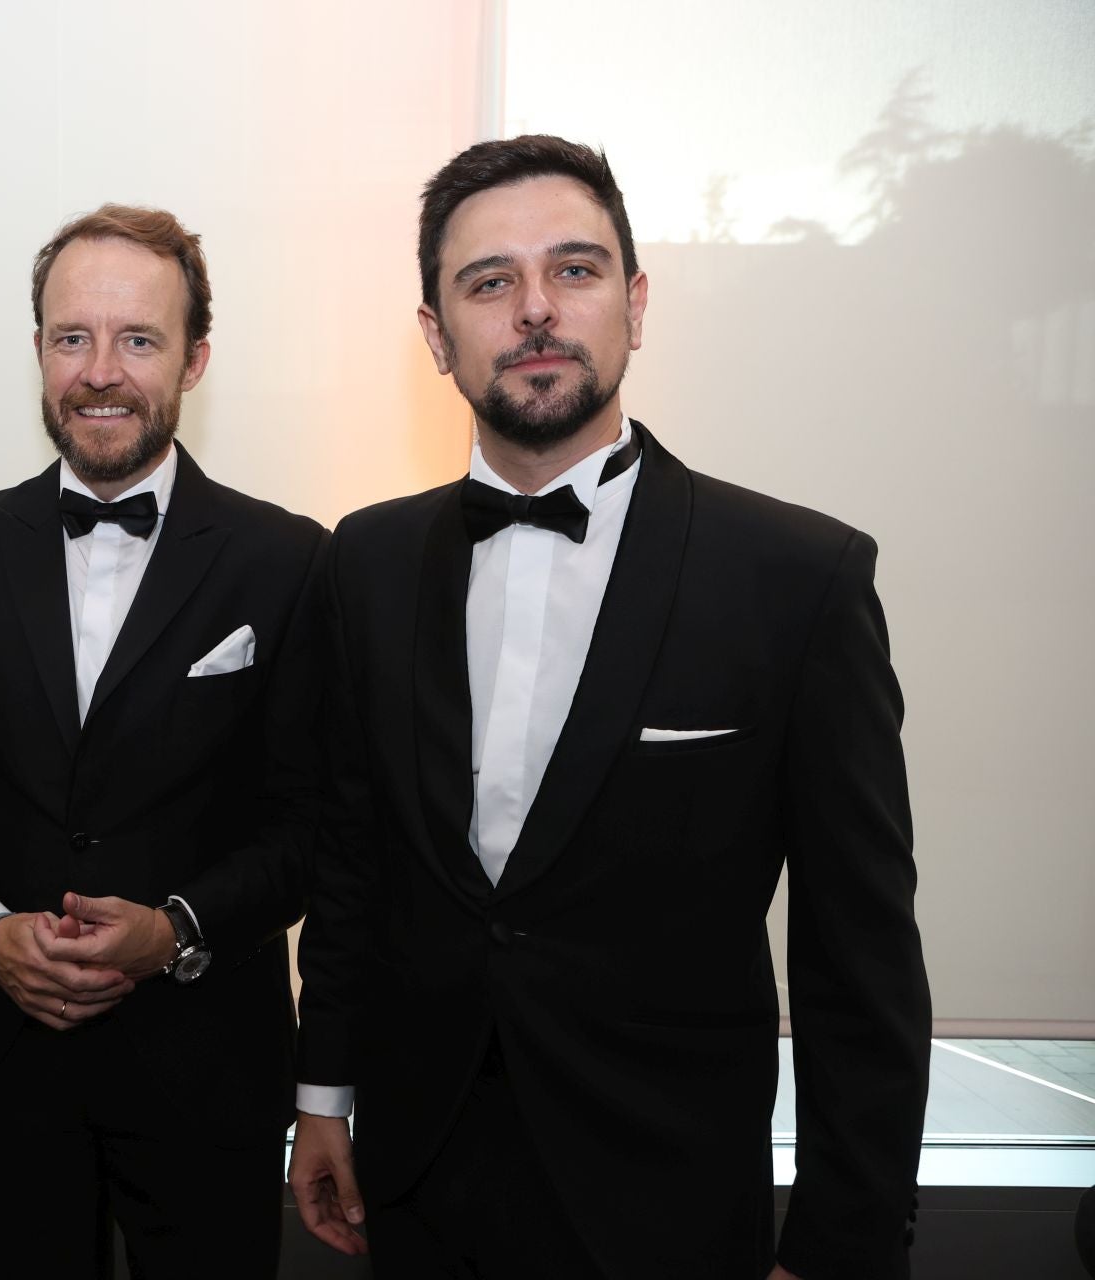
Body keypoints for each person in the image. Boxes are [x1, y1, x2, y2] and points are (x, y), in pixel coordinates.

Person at [289, 136, 932, 1279]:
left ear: (634, 304)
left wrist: (843, 1237)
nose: (536, 309)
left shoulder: (799, 575)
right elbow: (353, 860)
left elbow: (860, 950)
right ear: (437, 334)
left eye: (574, 270)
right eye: (489, 282)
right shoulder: (366, 561)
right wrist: (324, 1095)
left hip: (671, 1190)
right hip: (423, 1174)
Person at [0, 204, 326, 1278]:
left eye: (139, 339)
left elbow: (315, 821)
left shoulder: (291, 559)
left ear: (195, 357)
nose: (101, 372)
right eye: (72, 337)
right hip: (4, 1063)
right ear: (38, 350)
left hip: (210, 1063)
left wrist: (174, 929)